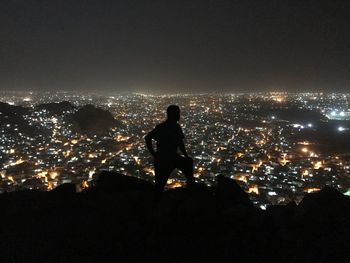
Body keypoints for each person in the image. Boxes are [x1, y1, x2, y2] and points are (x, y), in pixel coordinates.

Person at [145, 105, 195, 198]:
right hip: (164, 159)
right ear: (173, 114)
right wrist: (154, 154)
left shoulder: (164, 127)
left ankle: (191, 186)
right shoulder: (172, 127)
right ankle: (191, 187)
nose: (179, 115)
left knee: (160, 183)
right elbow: (180, 143)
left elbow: (180, 142)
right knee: (160, 183)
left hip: (166, 157)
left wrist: (154, 154)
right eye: (178, 113)